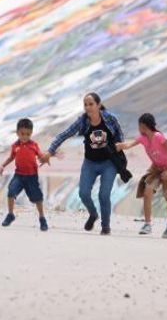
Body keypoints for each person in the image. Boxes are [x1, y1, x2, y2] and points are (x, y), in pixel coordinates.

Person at [44, 92, 123, 236]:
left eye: (91, 104)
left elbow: (119, 135)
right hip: (90, 163)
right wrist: (50, 151)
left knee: (104, 195)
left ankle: (106, 227)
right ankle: (93, 214)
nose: (88, 107)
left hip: (108, 163)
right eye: (85, 105)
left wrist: (119, 151)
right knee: (83, 193)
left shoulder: (110, 119)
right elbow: (65, 134)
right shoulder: (83, 121)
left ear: (99, 105)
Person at [116, 113, 167, 239]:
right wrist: (119, 146)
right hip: (156, 168)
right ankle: (147, 224)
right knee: (147, 192)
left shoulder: (158, 137)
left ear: (143, 126)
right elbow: (129, 145)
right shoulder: (143, 138)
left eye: (139, 126)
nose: (139, 128)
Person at [0, 118, 50, 231]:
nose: (25, 136)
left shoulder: (34, 145)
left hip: (31, 177)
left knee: (37, 198)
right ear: (17, 133)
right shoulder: (15, 146)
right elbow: (11, 157)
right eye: (22, 134)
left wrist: (46, 159)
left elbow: (41, 156)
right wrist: (3, 166)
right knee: (11, 192)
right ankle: (10, 215)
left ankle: (42, 218)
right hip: (19, 175)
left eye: (28, 134)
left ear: (31, 133)